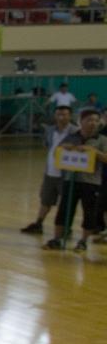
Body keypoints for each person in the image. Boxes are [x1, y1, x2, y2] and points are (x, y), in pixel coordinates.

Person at [44, 107, 107, 251]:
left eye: (96, 120)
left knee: (89, 212)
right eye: (89, 120)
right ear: (81, 121)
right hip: (70, 179)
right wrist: (65, 148)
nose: (93, 123)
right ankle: (57, 239)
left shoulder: (102, 140)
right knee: (64, 210)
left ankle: (83, 241)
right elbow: (56, 154)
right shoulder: (72, 136)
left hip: (91, 182)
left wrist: (94, 152)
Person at [20, 104, 75, 235]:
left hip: (67, 174)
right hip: (50, 172)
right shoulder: (50, 130)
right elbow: (48, 146)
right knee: (45, 200)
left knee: (66, 203)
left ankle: (66, 227)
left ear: (70, 116)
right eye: (59, 114)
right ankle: (39, 223)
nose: (61, 117)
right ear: (55, 116)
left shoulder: (75, 131)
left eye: (65, 114)